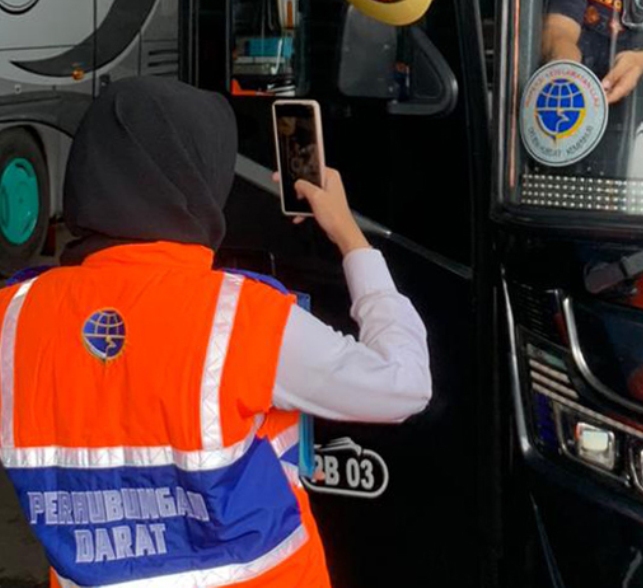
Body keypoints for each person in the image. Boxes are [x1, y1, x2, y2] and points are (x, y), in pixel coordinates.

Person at [0, 77, 431, 588]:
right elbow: (403, 383)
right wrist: (348, 235)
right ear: (196, 181)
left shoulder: (14, 314)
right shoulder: (239, 316)